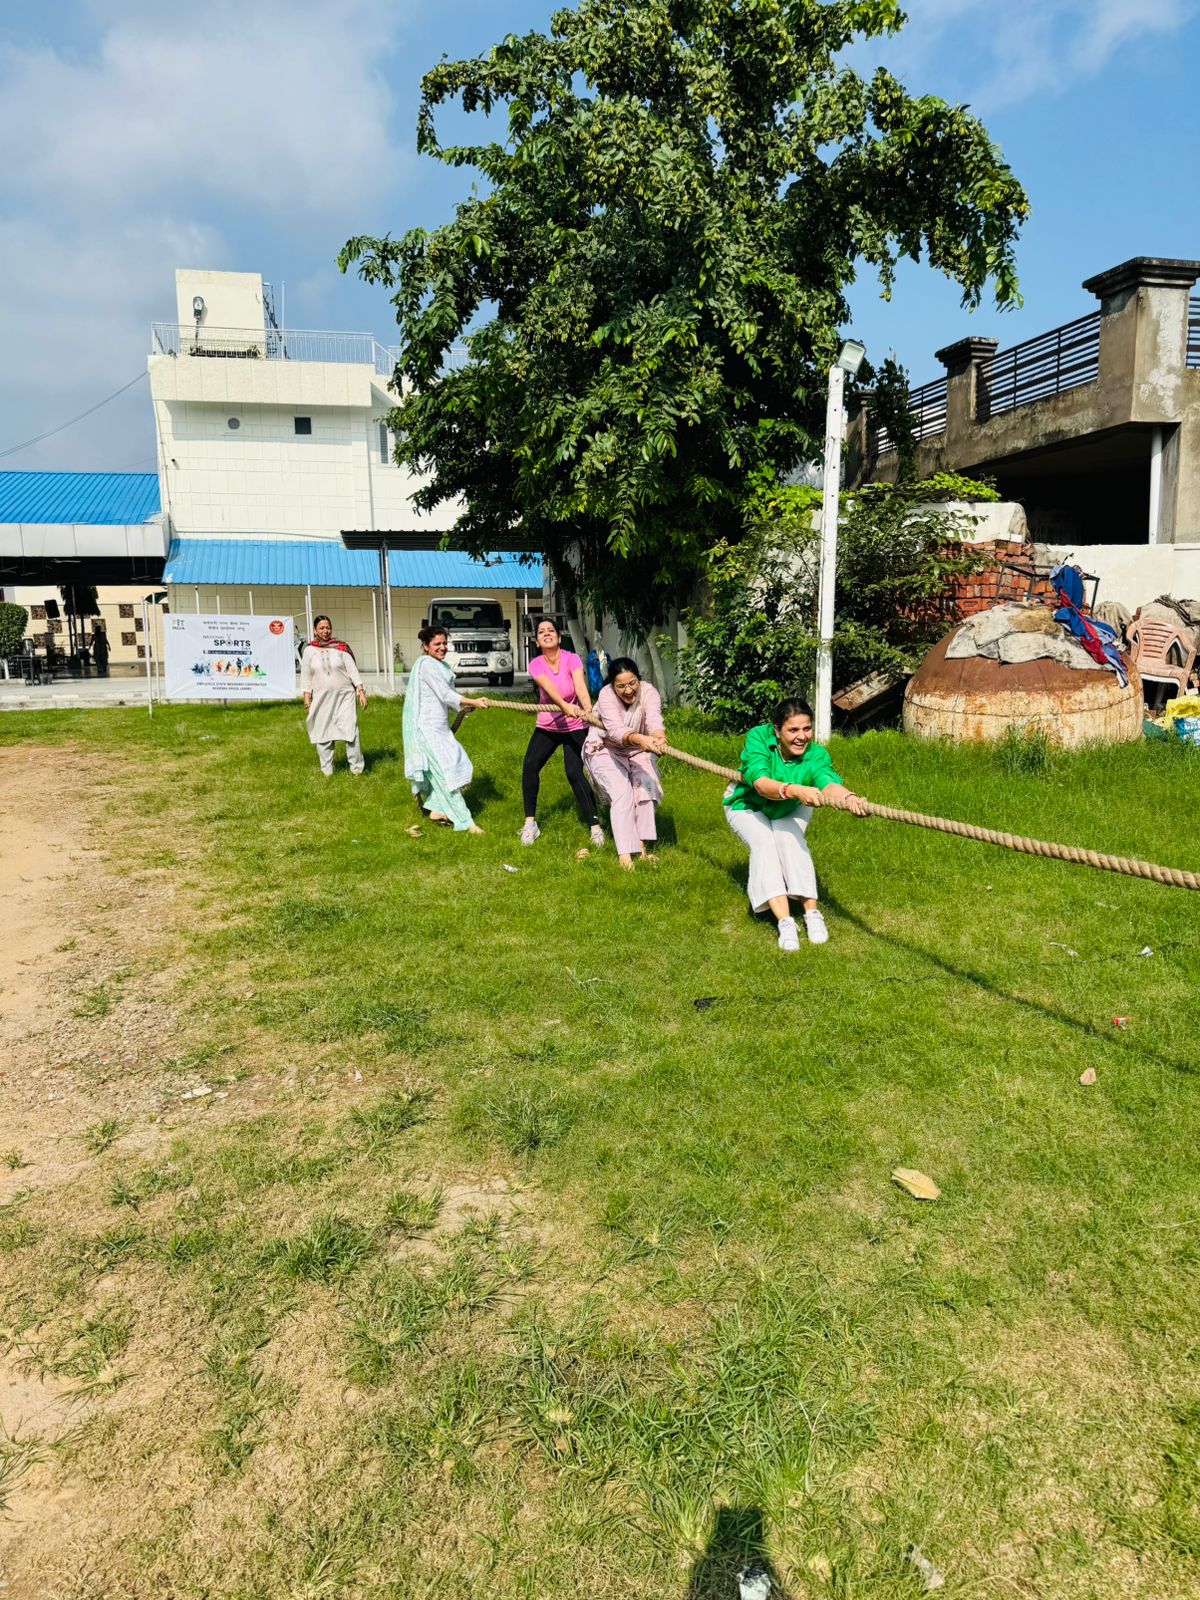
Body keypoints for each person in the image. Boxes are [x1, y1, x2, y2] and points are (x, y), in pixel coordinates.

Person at [723, 697, 869, 950]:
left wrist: (849, 798)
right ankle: (785, 921)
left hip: (791, 805)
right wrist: (796, 790)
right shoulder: (759, 738)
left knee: (789, 839)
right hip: (747, 804)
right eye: (793, 730)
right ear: (777, 731)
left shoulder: (816, 754)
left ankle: (812, 914)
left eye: (807, 728)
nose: (802, 736)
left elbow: (827, 782)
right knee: (765, 844)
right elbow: (761, 784)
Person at [521, 617, 604, 848]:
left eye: (551, 630)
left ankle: (595, 826)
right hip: (548, 725)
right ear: (537, 641)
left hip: (575, 725)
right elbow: (548, 688)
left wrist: (587, 709)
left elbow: (580, 686)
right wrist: (563, 705)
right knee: (530, 765)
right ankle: (530, 824)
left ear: (558, 637)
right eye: (541, 632)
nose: (546, 633)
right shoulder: (536, 664)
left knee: (574, 773)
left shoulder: (571, 658)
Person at [403, 624, 487, 833]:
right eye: (437, 644)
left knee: (460, 764)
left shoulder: (440, 665)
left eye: (444, 643)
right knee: (446, 776)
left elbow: (447, 697)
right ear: (426, 646)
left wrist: (463, 707)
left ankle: (435, 809)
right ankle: (466, 822)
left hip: (440, 729)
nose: (442, 647)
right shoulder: (426, 664)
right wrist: (473, 701)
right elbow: (445, 694)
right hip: (426, 730)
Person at [583, 658, 666, 868]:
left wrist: (659, 738)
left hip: (637, 748)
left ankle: (641, 849)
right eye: (621, 686)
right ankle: (625, 857)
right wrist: (642, 739)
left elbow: (654, 720)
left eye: (632, 683)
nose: (628, 690)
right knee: (622, 792)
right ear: (612, 685)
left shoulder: (649, 692)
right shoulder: (606, 695)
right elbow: (616, 730)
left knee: (646, 787)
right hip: (605, 748)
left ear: (639, 679)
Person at [301, 615, 366, 776]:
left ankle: (357, 770)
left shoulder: (341, 648)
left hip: (345, 697)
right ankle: (327, 772)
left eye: (328, 627)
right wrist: (307, 699)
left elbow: (352, 671)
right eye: (322, 628)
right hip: (322, 699)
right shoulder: (309, 651)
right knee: (323, 734)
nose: (325, 631)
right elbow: (306, 676)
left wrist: (360, 691)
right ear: (315, 630)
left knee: (351, 732)